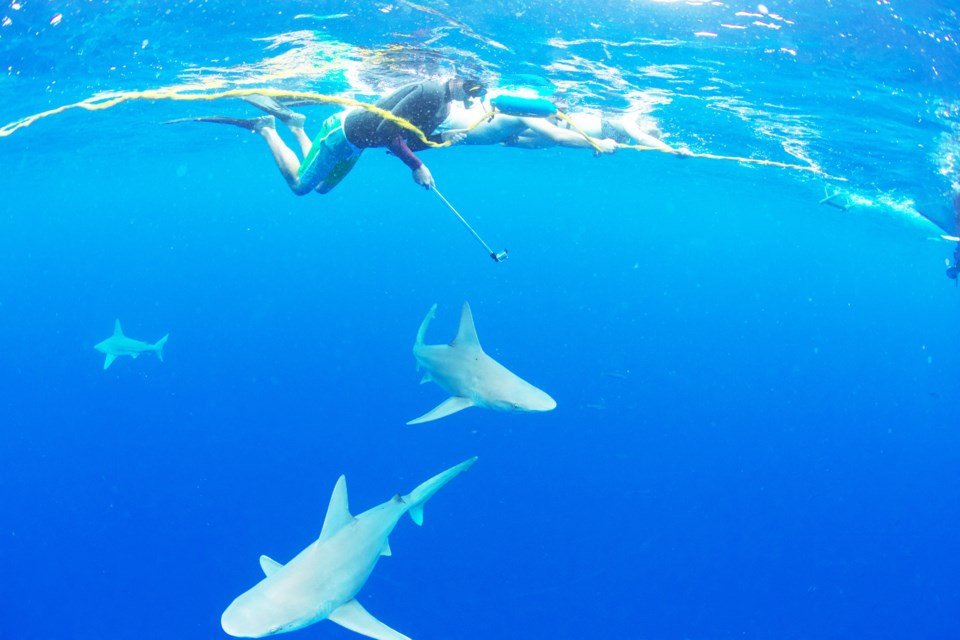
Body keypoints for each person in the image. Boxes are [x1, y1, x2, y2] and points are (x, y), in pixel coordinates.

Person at [167, 76, 486, 195]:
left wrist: (443, 140)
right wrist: (416, 166)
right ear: (467, 85)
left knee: (321, 187)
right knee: (300, 187)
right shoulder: (429, 91)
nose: (476, 102)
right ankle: (266, 128)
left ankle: (296, 125)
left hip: (355, 146)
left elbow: (408, 142)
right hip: (340, 135)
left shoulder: (443, 107)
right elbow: (388, 133)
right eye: (477, 94)